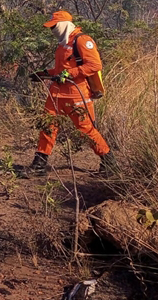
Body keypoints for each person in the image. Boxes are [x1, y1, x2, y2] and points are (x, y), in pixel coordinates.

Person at [27, 10, 116, 176]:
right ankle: (39, 165)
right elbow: (62, 70)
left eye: (54, 26)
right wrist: (45, 73)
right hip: (56, 94)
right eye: (51, 27)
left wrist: (69, 74)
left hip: (77, 93)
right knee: (47, 126)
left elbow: (95, 65)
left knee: (86, 130)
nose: (52, 30)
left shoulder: (82, 41)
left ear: (64, 25)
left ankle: (109, 163)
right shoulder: (62, 44)